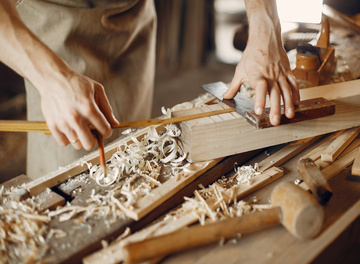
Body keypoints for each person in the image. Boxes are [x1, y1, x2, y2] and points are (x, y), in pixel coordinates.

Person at [0, 0, 297, 179]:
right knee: (72, 175)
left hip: (132, 12)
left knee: (129, 159)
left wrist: (264, 26)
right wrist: (52, 78)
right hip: (57, 16)